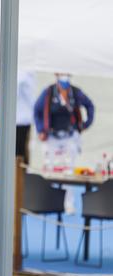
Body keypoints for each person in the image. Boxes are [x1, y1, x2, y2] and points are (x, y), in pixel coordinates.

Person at [34, 73, 94, 213]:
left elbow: (90, 106)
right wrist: (40, 129)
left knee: (69, 170)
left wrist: (85, 124)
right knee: (49, 169)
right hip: (52, 137)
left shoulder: (75, 93)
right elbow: (36, 111)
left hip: (69, 136)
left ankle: (69, 204)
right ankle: (47, 202)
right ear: (56, 76)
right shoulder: (48, 93)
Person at [16, 71, 36, 165]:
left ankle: (21, 171)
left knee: (21, 149)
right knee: (22, 149)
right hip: (22, 118)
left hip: (21, 120)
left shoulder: (24, 76)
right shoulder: (27, 76)